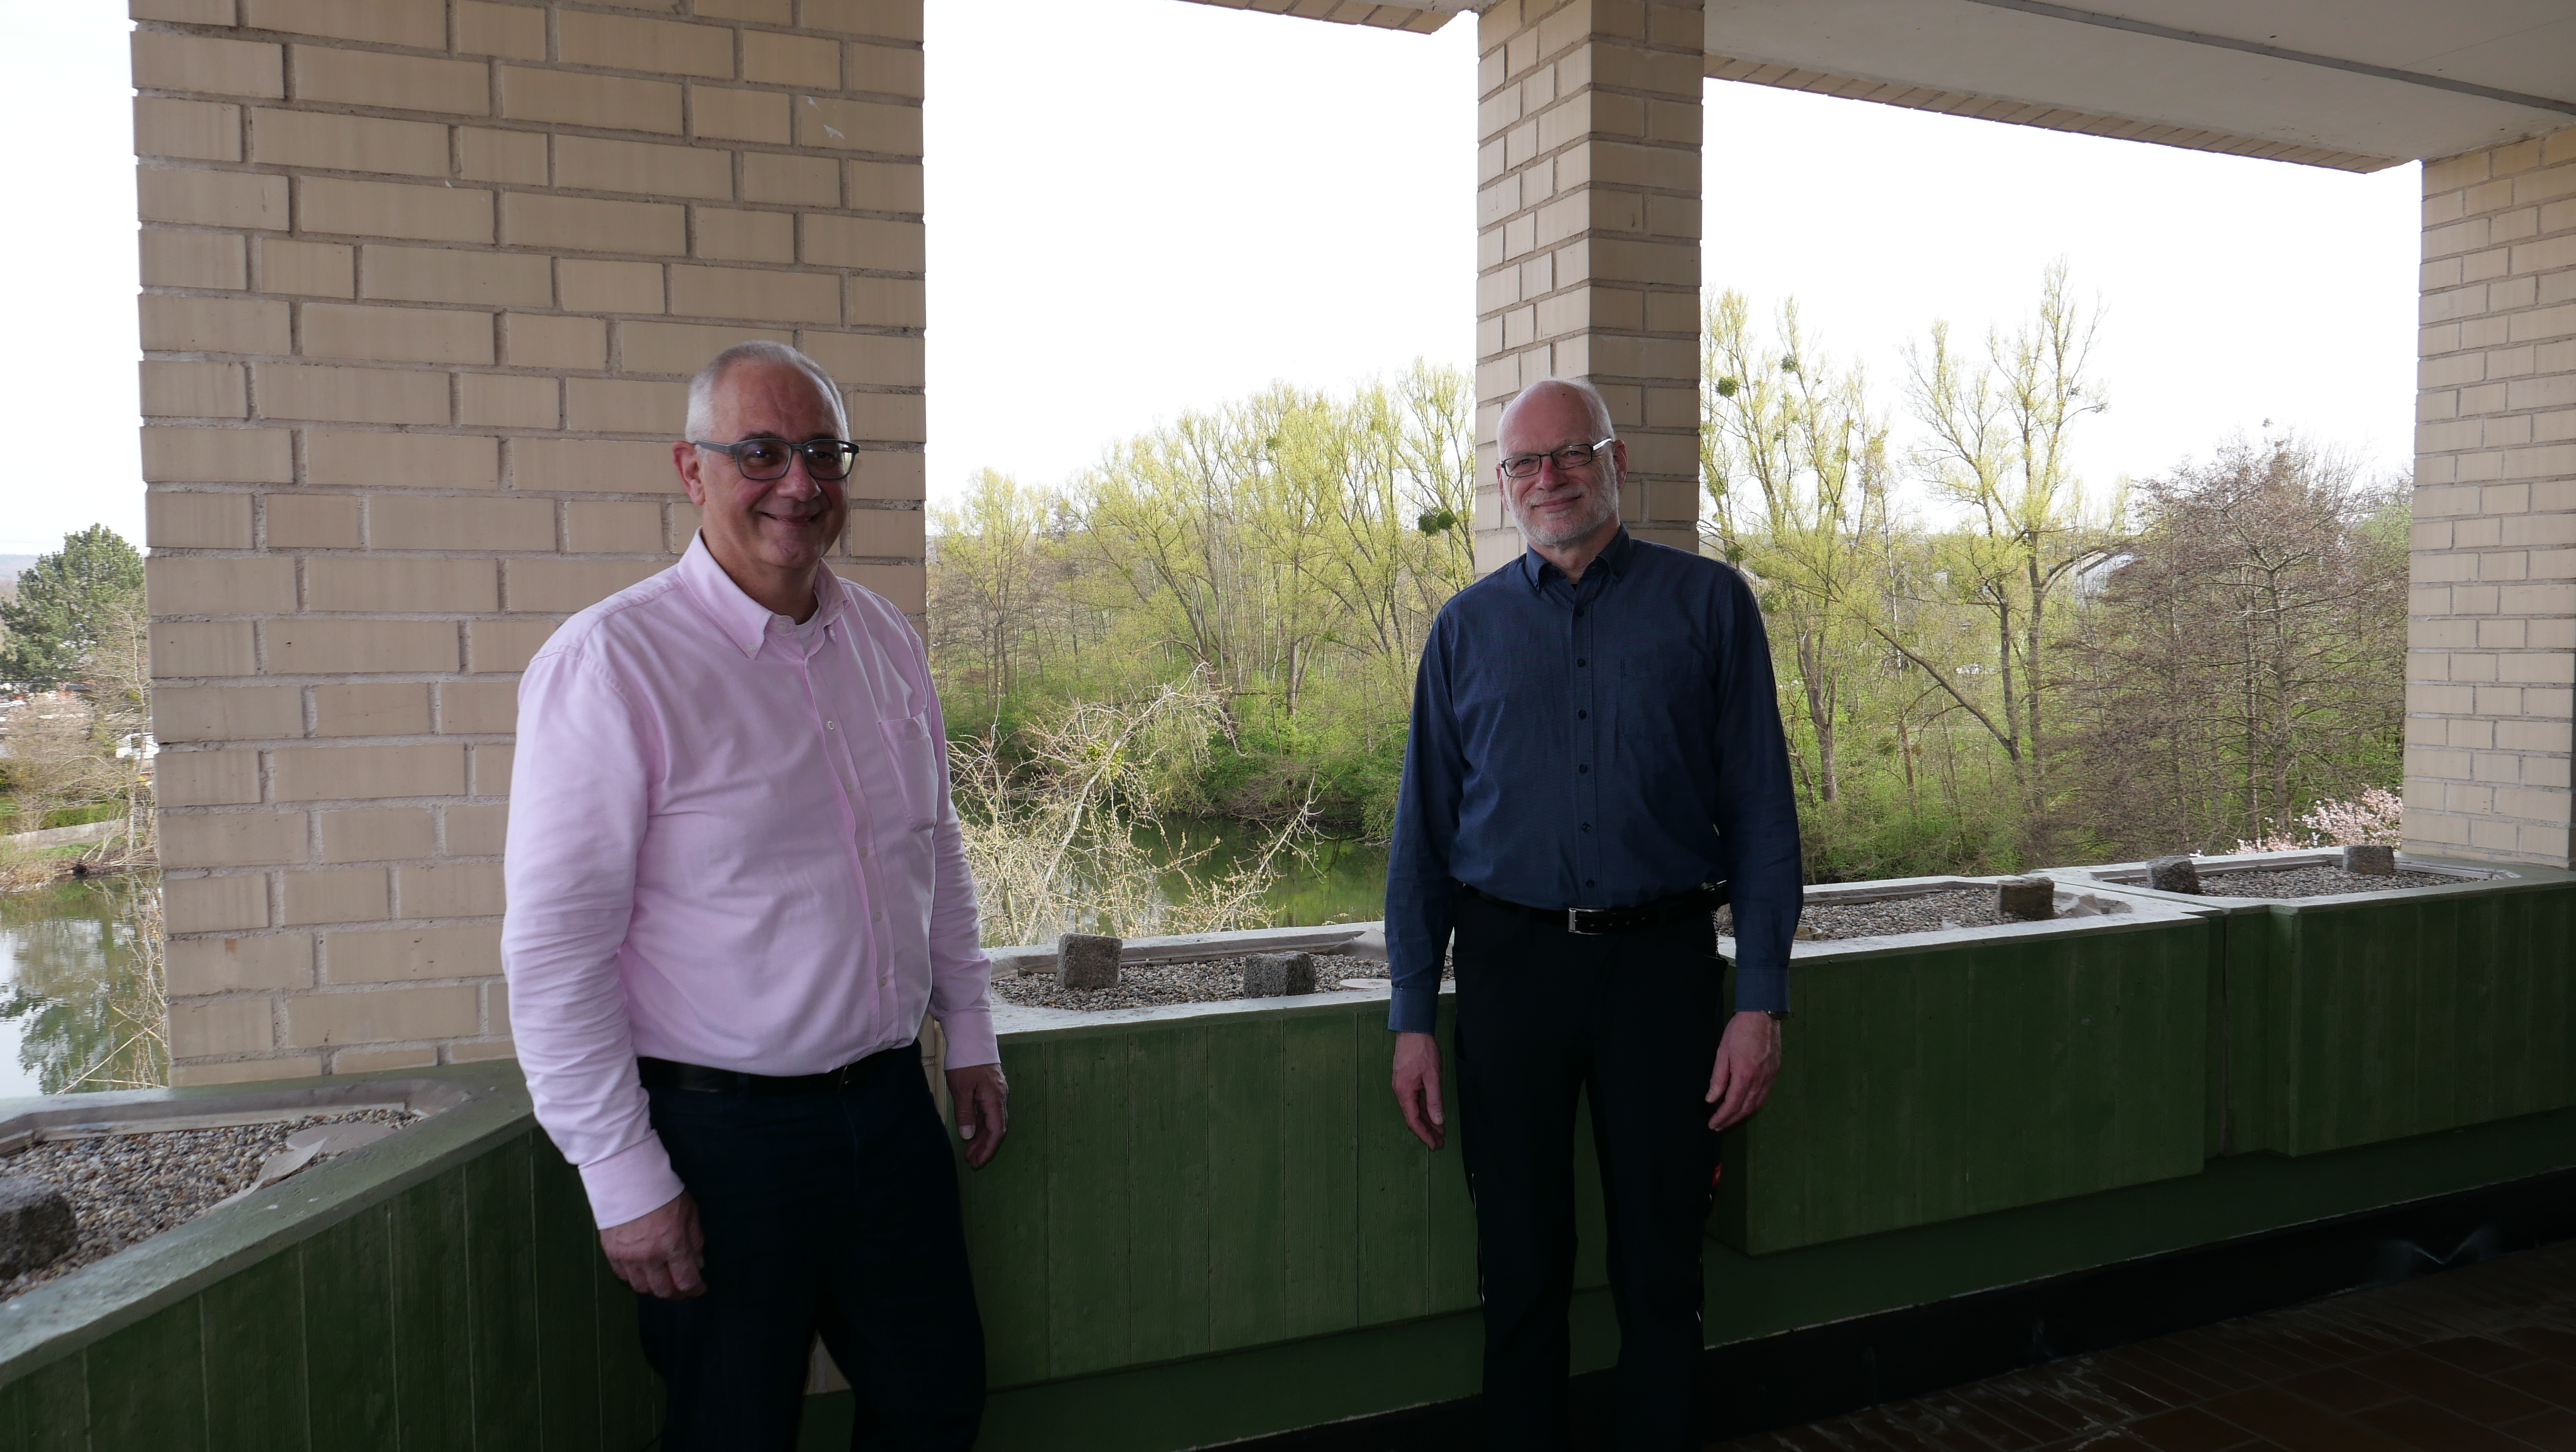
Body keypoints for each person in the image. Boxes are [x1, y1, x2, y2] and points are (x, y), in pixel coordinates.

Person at [502, 340, 1006, 1450]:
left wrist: (968, 1029)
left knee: (936, 1403)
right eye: (761, 453)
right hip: (717, 1144)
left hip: (887, 1112)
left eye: (822, 453)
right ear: (692, 468)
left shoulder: (882, 640)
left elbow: (935, 845)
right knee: (731, 1433)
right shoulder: (610, 666)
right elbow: (554, 954)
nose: (798, 484)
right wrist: (622, 1175)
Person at [1382, 377, 1804, 1450]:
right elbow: (1420, 841)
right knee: (1518, 1264)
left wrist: (1757, 1001)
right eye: (1526, 462)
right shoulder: (1462, 632)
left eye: (1572, 453)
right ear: (1501, 485)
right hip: (1508, 968)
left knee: (1660, 1261)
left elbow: (1760, 815)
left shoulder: (1708, 606)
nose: (1550, 478)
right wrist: (1411, 1017)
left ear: (1618, 462)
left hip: (1661, 971)